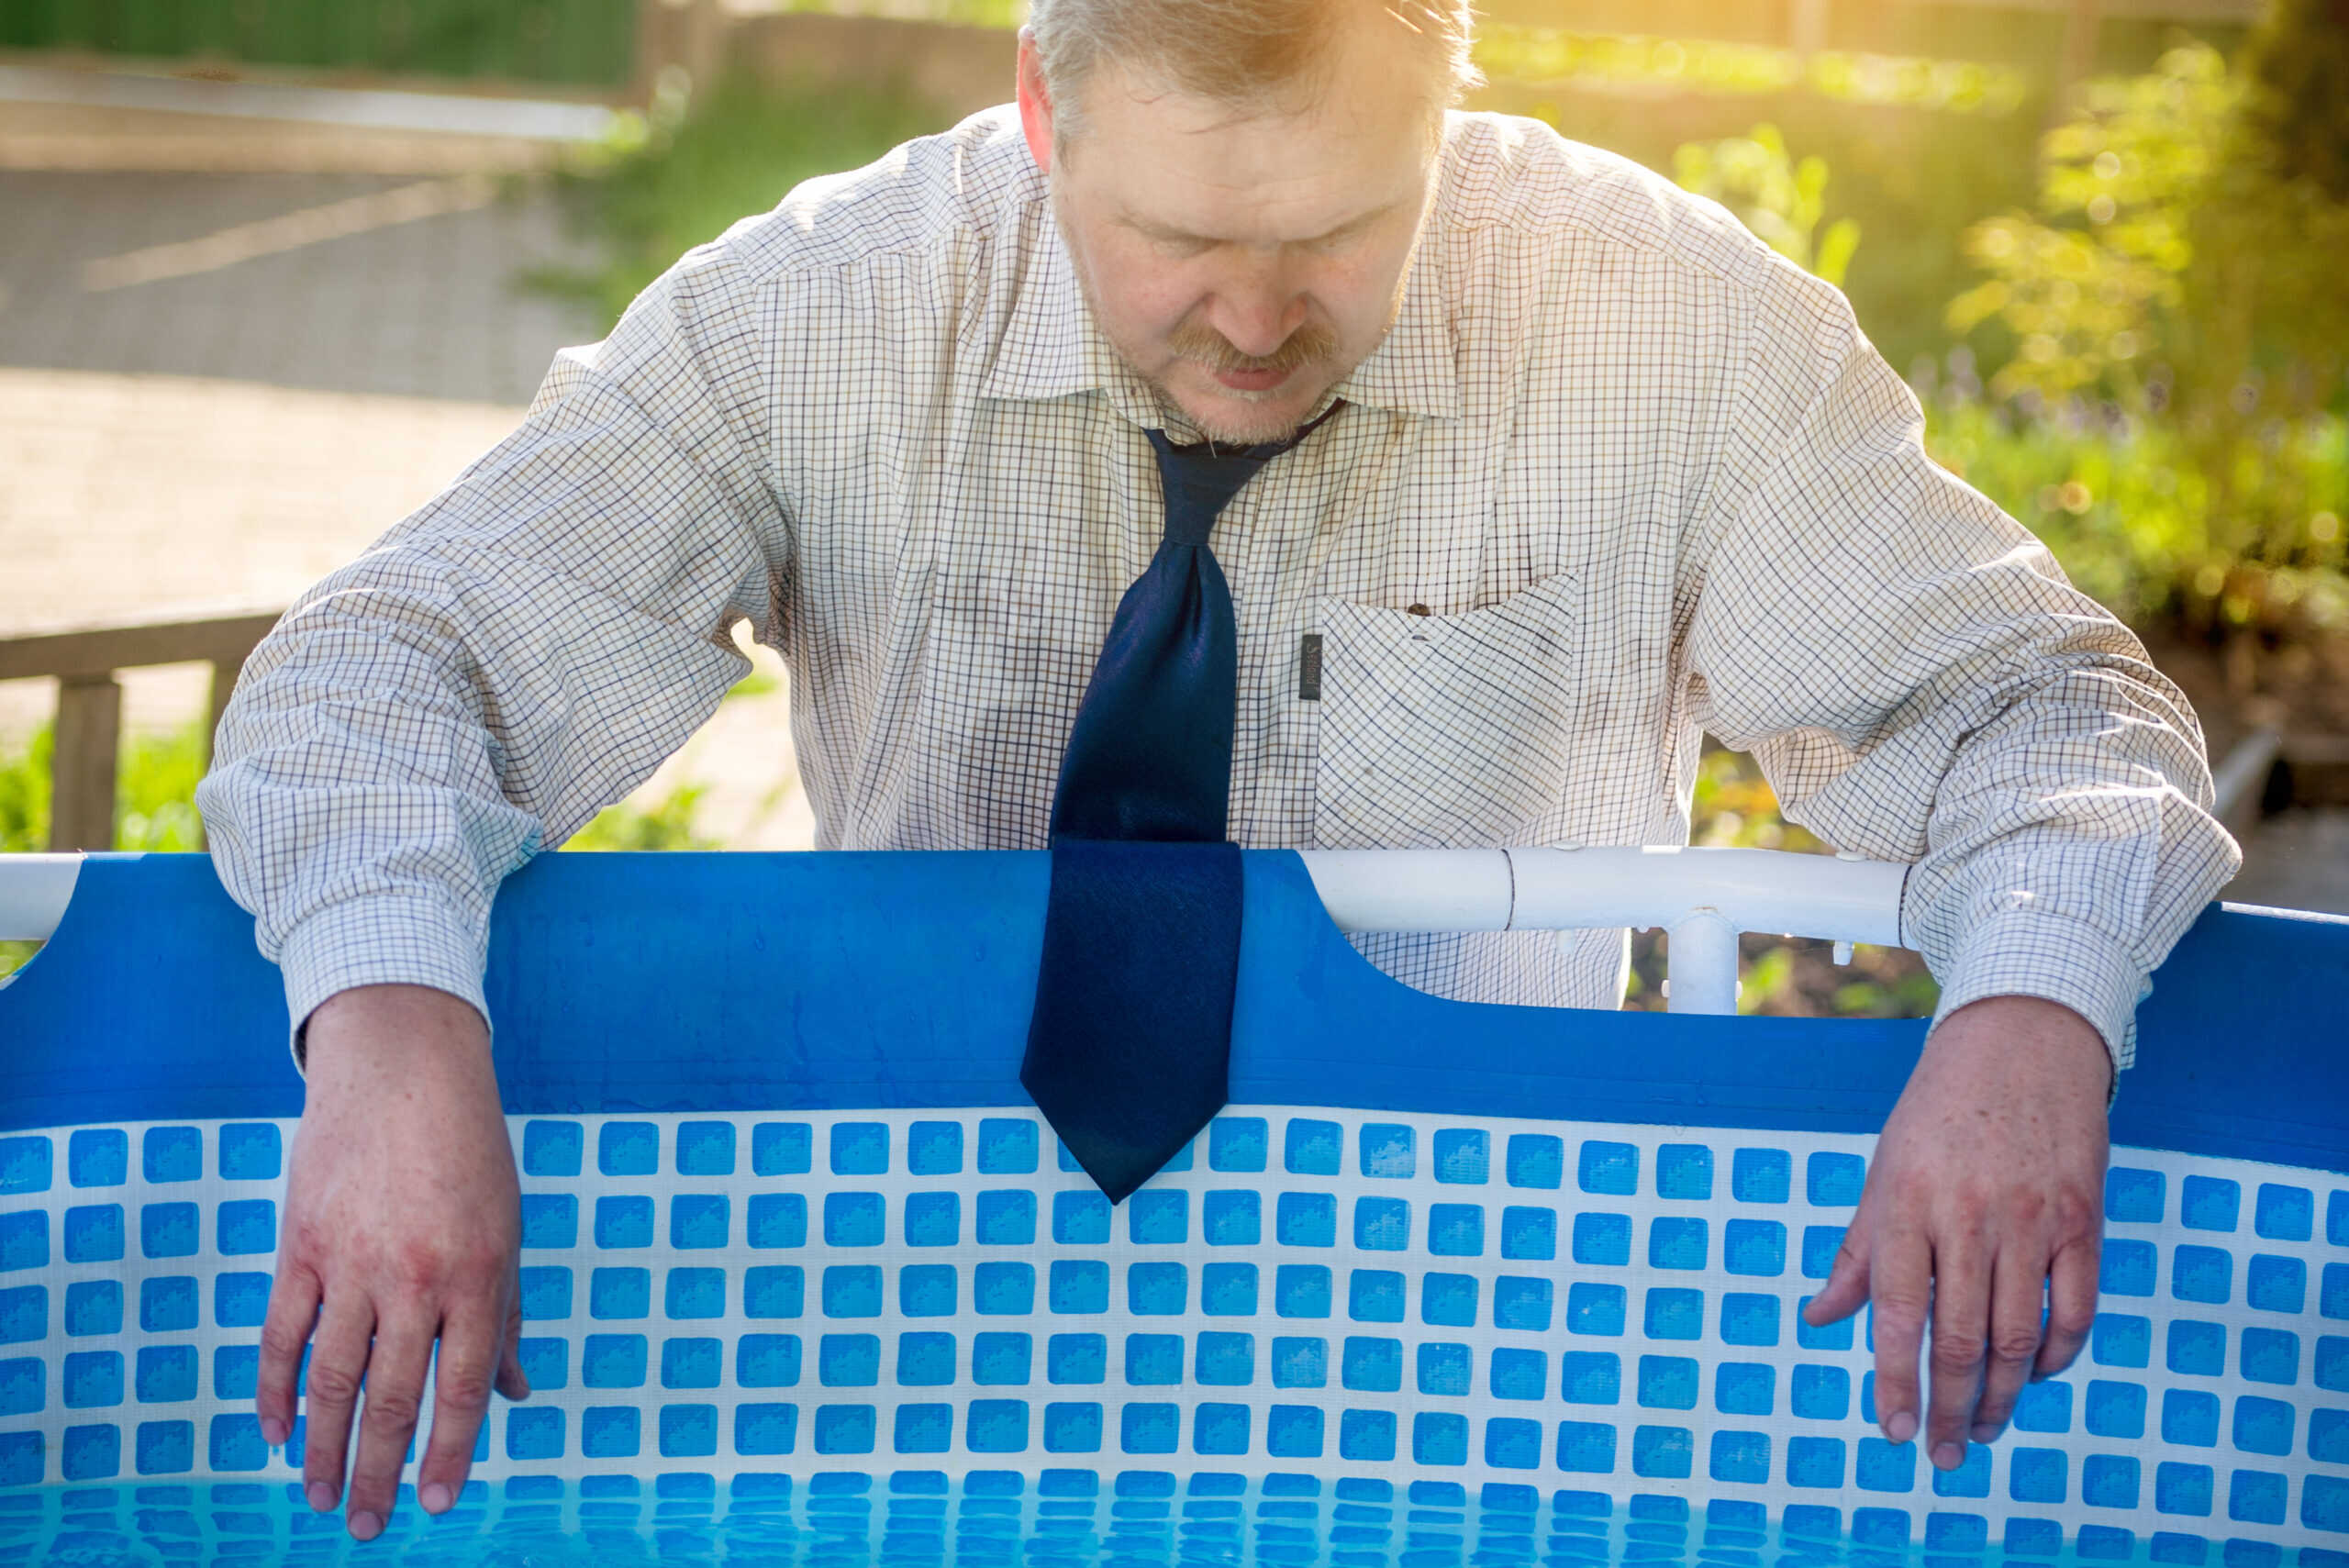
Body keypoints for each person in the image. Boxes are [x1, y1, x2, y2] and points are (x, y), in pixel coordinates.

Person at [196, 0, 2238, 1542]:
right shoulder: (814, 313)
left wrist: (2028, 1015)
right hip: (929, 1332)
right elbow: (383, 662)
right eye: (1175, 238)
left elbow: (2043, 713)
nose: (1254, 321)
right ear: (1035, 120)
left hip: (1479, 1336)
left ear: (1447, 117)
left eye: (1345, 231)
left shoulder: (1676, 334)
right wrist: (385, 1042)